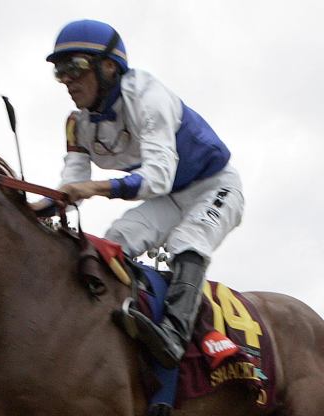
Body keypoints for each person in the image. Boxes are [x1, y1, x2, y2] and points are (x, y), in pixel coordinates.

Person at [37, 19, 244, 368]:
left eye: (75, 68)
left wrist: (94, 188)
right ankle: (121, 319)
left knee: (187, 241)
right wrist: (35, 208)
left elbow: (158, 177)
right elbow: (71, 186)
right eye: (60, 72)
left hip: (215, 186)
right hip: (170, 197)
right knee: (117, 240)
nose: (67, 80)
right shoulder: (77, 124)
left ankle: (176, 336)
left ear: (108, 66)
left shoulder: (149, 97)